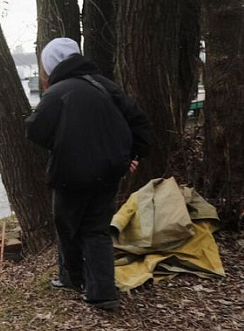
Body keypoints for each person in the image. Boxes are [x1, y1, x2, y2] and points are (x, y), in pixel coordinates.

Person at [24, 37, 153, 310]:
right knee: (96, 230)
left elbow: (35, 130)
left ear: (50, 65)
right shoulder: (105, 85)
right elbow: (140, 122)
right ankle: (103, 292)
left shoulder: (57, 93)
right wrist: (133, 155)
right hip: (108, 172)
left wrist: (58, 141)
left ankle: (72, 278)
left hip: (70, 174)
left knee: (67, 225)